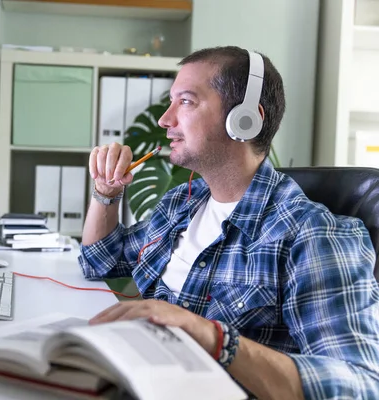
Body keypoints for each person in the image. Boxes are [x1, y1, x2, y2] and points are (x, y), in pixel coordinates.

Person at [78, 46, 379, 399]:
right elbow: (100, 260)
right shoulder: (182, 205)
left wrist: (214, 338)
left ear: (245, 119)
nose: (165, 119)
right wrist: (106, 191)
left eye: (186, 102)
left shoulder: (311, 234)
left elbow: (359, 384)